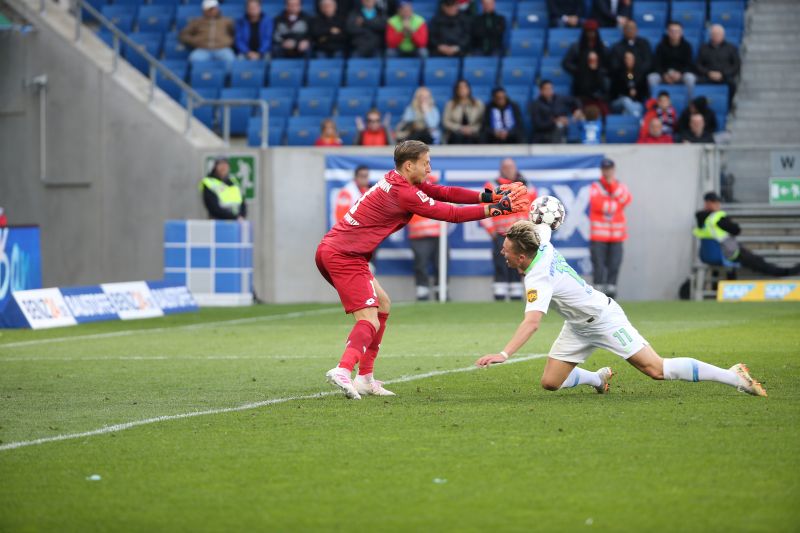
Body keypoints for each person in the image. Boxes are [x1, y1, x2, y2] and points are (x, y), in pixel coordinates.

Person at [317, 140, 529, 399]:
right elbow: (450, 213)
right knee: (369, 319)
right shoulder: (404, 192)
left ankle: (365, 378)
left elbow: (444, 192)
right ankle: (343, 369)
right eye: (425, 163)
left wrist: (489, 196)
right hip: (344, 255)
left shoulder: (398, 180)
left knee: (383, 305)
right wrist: (497, 209)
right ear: (409, 165)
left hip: (341, 251)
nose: (429, 168)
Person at [474, 220, 767, 398]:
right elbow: (543, 228)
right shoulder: (542, 244)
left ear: (521, 256)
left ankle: (733, 376)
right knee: (551, 383)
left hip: (603, 319)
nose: (502, 252)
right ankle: (597, 378)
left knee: (656, 369)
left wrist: (504, 354)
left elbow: (532, 323)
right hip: (577, 325)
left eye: (506, 250)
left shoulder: (538, 278)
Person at [695, 192, 800, 277]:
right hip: (727, 253)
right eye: (715, 202)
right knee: (757, 262)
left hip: (707, 255)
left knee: (752, 258)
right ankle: (785, 272)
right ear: (707, 203)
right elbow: (736, 230)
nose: (718, 205)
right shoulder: (717, 218)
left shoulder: (700, 218)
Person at [480, 158, 537, 301]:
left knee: (519, 262)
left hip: (521, 234)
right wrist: (491, 231)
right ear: (501, 169)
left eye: (511, 167)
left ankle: (516, 292)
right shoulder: (492, 185)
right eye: (506, 167)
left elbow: (534, 208)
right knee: (501, 262)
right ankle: (499, 293)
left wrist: (531, 230)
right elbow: (482, 209)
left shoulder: (527, 185)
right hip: (501, 233)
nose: (509, 170)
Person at [588, 158, 629, 297]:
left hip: (617, 237)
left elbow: (626, 199)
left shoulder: (620, 186)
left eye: (610, 169)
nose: (607, 172)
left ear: (614, 170)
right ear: (601, 170)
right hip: (599, 237)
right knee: (598, 267)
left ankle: (612, 297)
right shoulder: (596, 186)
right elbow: (597, 205)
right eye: (605, 169)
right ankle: (597, 297)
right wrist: (615, 205)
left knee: (614, 266)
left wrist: (613, 187)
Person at [407, 175, 442, 301]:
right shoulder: (411, 187)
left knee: (441, 264)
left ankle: (441, 292)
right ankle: (422, 293)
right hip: (419, 236)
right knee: (421, 265)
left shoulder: (435, 184)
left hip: (439, 236)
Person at [180, 0, 236, 72]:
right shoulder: (197, 21)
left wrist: (229, 41)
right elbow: (183, 34)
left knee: (230, 60)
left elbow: (236, 33)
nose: (213, 11)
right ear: (204, 10)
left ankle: (227, 78)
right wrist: (194, 41)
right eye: (210, 9)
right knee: (193, 59)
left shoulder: (226, 21)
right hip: (203, 49)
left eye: (214, 8)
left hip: (222, 48)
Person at [648, 21, 696, 98]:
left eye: (677, 31)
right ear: (668, 32)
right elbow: (657, 64)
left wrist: (680, 73)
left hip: (680, 75)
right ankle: (654, 102)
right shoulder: (660, 46)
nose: (674, 34)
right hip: (664, 75)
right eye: (672, 31)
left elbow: (689, 64)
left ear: (681, 33)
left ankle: (690, 102)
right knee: (652, 77)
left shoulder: (687, 46)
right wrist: (664, 75)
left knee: (690, 78)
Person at [695, 24, 740, 104]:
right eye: (714, 34)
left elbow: (736, 65)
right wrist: (708, 73)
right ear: (710, 35)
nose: (716, 36)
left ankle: (728, 105)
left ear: (723, 35)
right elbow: (698, 65)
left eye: (718, 34)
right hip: (707, 76)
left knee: (732, 84)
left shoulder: (731, 48)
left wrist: (722, 74)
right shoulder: (703, 48)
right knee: (696, 82)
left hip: (724, 77)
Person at [529, 80, 580, 144]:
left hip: (561, 130)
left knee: (569, 126)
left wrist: (578, 110)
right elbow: (538, 125)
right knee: (559, 128)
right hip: (544, 134)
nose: (549, 91)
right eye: (546, 89)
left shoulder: (559, 98)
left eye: (551, 88)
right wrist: (555, 121)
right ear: (541, 91)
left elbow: (575, 100)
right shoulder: (536, 105)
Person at [442, 79, 485, 144]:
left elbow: (482, 122)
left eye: (465, 87)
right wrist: (460, 128)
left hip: (473, 133)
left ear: (469, 89)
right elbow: (446, 122)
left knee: (478, 137)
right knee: (458, 137)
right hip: (455, 133)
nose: (462, 90)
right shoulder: (450, 104)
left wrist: (472, 129)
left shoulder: (478, 103)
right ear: (456, 90)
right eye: (460, 88)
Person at [609, 50, 648, 117]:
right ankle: (636, 118)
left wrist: (636, 93)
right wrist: (627, 92)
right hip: (619, 101)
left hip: (635, 102)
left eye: (631, 59)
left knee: (632, 108)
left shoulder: (640, 74)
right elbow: (614, 92)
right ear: (624, 60)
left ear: (634, 60)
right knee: (626, 101)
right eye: (627, 58)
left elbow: (644, 92)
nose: (629, 61)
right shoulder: (618, 73)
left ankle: (629, 121)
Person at [571, 50, 609, 115]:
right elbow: (578, 90)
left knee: (605, 109)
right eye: (591, 60)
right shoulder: (580, 73)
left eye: (595, 60)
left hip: (597, 100)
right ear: (587, 61)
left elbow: (604, 90)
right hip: (583, 100)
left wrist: (595, 72)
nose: (593, 62)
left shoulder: (600, 73)